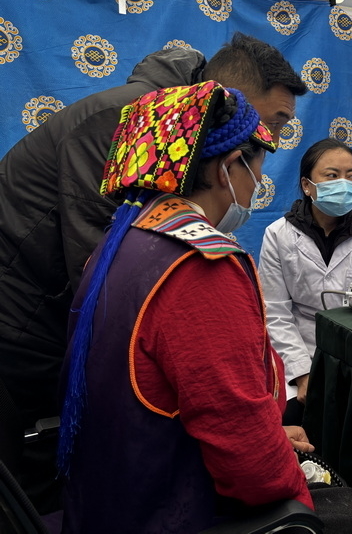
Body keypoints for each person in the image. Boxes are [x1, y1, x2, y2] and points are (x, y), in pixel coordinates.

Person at [59, 81, 352, 534]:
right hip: (170, 503)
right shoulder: (200, 267)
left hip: (111, 488)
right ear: (228, 168)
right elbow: (247, 458)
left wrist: (269, 432)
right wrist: (289, 483)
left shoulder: (124, 237)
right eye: (257, 168)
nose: (258, 183)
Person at [0, 32, 306, 511]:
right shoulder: (189, 262)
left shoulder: (135, 237)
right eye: (274, 125)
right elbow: (246, 453)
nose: (273, 145)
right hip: (22, 321)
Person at [258, 139, 352, 425]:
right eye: (332, 176)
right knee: (293, 416)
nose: (344, 184)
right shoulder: (278, 235)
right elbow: (276, 314)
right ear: (307, 185)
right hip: (300, 345)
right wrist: (303, 373)